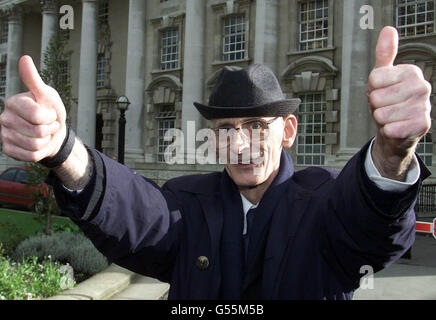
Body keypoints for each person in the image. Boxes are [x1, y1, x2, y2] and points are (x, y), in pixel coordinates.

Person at [0, 27, 431, 299]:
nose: (240, 143)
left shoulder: (323, 201)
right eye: (225, 128)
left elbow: (371, 228)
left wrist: (393, 151)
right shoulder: (189, 201)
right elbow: (134, 212)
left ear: (289, 130)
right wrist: (63, 148)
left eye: (257, 125)